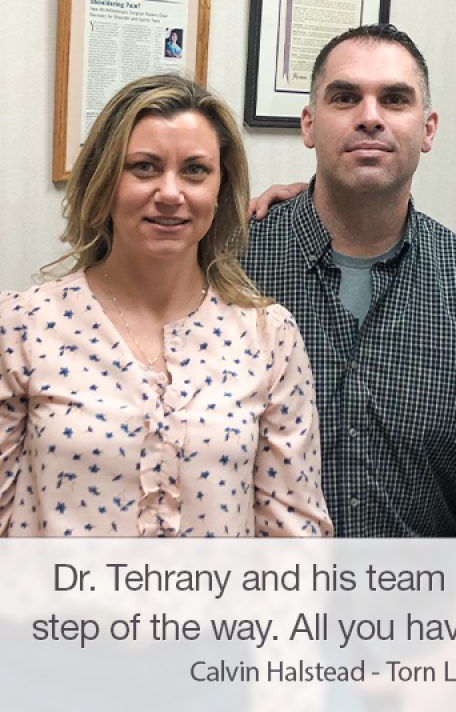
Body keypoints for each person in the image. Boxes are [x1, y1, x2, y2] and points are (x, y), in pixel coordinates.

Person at [0, 74, 332, 537]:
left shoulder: (268, 338)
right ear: (104, 179)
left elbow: (293, 534)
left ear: (221, 188)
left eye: (195, 170)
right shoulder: (22, 327)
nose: (171, 194)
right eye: (144, 167)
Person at [241, 24, 456, 537]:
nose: (370, 117)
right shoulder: (230, 268)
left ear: (428, 129)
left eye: (395, 99)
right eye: (345, 98)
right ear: (309, 124)